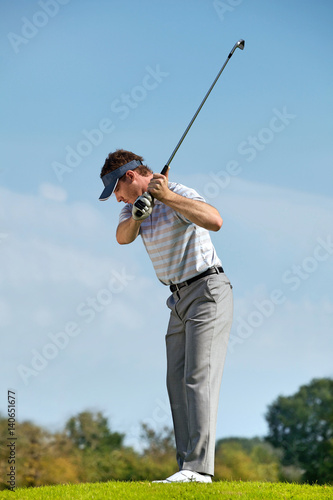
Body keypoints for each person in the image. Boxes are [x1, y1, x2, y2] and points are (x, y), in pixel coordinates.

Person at [99, 149, 233, 483]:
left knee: (197, 377)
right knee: (176, 381)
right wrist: (138, 216)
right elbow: (122, 238)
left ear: (130, 176)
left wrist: (168, 196)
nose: (116, 198)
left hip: (207, 291)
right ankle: (186, 469)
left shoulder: (179, 193)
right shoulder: (133, 208)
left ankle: (199, 469)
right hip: (177, 300)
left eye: (116, 189)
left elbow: (215, 220)